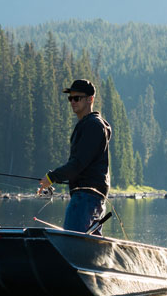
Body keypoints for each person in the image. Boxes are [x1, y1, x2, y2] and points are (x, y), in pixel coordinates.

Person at [37, 79, 112, 235]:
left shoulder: (93, 125)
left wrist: (52, 177)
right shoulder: (89, 124)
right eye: (70, 98)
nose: (72, 101)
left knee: (74, 244)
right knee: (88, 248)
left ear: (90, 99)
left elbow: (78, 163)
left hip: (85, 197)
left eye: (77, 98)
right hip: (90, 197)